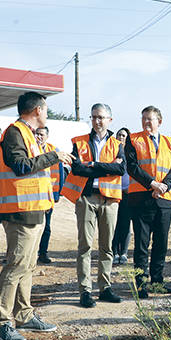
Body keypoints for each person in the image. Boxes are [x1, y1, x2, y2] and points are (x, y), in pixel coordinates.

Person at [0, 91, 74, 340]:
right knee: (16, 266)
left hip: (35, 211)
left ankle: (24, 314)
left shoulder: (29, 134)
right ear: (37, 110)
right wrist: (54, 156)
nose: (47, 113)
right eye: (46, 109)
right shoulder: (15, 132)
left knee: (28, 266)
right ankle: (2, 322)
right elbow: (21, 166)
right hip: (19, 212)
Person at [62, 104, 125, 308]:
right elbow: (78, 168)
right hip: (87, 198)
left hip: (110, 199)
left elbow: (121, 168)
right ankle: (85, 291)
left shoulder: (117, 144)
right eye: (95, 117)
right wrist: (107, 168)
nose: (98, 121)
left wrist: (95, 165)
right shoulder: (80, 142)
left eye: (102, 117)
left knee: (107, 247)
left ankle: (105, 288)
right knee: (85, 246)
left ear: (110, 120)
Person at [125, 106, 171, 295]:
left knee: (161, 243)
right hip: (141, 199)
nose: (146, 122)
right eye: (144, 119)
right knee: (141, 244)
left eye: (150, 119)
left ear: (159, 121)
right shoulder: (133, 140)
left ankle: (157, 280)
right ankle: (141, 283)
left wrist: (163, 186)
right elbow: (132, 167)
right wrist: (152, 184)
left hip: (164, 200)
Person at [34, 126, 65, 265]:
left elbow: (60, 173)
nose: (38, 137)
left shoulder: (54, 151)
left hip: (48, 194)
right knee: (32, 226)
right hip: (32, 195)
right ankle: (31, 253)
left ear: (47, 136)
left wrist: (57, 194)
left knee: (46, 225)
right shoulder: (30, 149)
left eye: (41, 135)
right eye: (37, 134)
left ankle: (43, 253)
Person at [111, 127, 133, 265]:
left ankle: (123, 252)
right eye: (119, 135)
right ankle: (114, 252)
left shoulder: (131, 153)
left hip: (127, 193)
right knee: (113, 224)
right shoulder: (111, 151)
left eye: (124, 135)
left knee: (125, 224)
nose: (121, 137)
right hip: (112, 192)